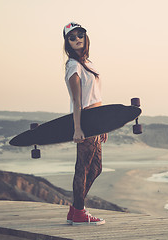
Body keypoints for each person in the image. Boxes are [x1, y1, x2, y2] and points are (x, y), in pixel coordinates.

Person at [63, 22, 107, 225]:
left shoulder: (88, 63)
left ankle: (75, 209)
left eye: (80, 35)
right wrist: (78, 128)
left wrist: (104, 125)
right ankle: (79, 213)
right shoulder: (73, 66)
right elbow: (77, 100)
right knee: (83, 167)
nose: (77, 39)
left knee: (96, 168)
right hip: (86, 121)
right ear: (67, 42)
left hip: (96, 121)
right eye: (72, 37)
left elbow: (96, 96)